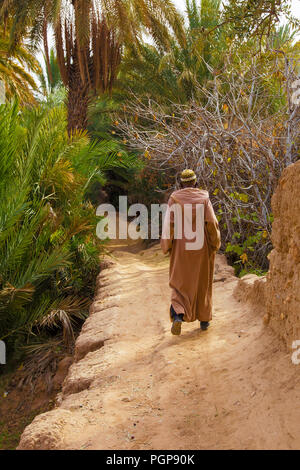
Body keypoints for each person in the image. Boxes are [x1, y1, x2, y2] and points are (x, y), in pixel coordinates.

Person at [160, 169, 221, 335]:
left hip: (181, 248)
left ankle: (179, 315)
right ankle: (204, 320)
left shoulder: (174, 199)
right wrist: (215, 243)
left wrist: (167, 245)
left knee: (180, 283)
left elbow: (169, 225)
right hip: (201, 248)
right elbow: (212, 223)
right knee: (202, 282)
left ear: (181, 184)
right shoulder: (204, 199)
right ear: (196, 182)